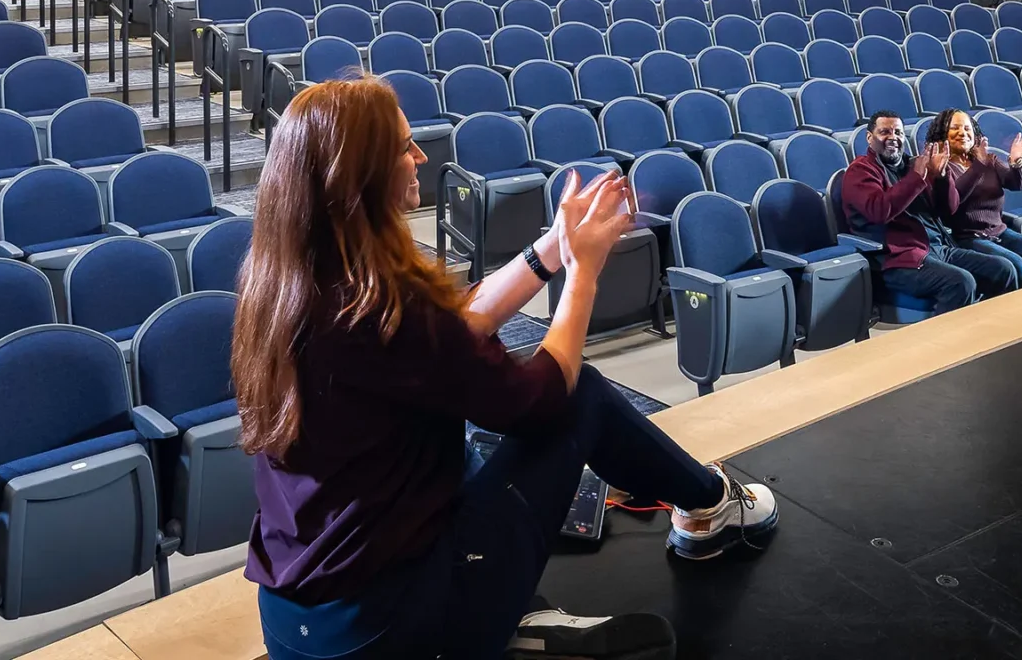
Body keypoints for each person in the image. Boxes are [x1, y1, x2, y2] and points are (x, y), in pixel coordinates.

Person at [238, 77, 778, 660]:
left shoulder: (281, 285)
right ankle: (709, 508)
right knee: (581, 394)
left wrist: (552, 247)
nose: (420, 155)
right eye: (402, 146)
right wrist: (584, 273)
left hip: (295, 625)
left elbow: (452, 328)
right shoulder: (386, 305)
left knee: (464, 451)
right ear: (359, 175)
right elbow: (541, 399)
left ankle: (520, 613)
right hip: (389, 630)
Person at [838, 110, 1020, 315]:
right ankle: (950, 336)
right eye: (884, 132)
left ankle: (998, 330)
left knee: (1003, 269)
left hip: (937, 248)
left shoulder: (912, 165)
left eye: (898, 132)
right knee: (960, 282)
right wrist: (917, 177)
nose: (893, 137)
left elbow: (948, 208)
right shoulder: (860, 170)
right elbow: (879, 211)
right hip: (898, 258)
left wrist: (941, 177)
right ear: (869, 137)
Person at [921, 109, 1022, 287]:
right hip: (967, 238)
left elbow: (1016, 184)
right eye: (955, 128)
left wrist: (1016, 162)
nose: (962, 133)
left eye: (967, 128)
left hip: (999, 231)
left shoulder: (988, 159)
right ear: (942, 134)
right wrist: (979, 166)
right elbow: (954, 201)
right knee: (1020, 268)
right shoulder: (940, 168)